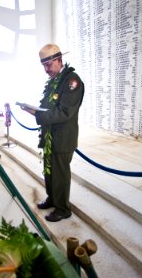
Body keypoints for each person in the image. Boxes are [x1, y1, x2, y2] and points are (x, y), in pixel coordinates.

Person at [21, 44, 84, 222]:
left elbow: (65, 112)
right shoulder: (54, 80)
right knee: (49, 171)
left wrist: (38, 114)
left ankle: (63, 208)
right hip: (50, 136)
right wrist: (35, 110)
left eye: (49, 65)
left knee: (60, 174)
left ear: (59, 60)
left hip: (63, 137)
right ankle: (52, 199)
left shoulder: (72, 80)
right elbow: (48, 106)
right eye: (44, 65)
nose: (46, 69)